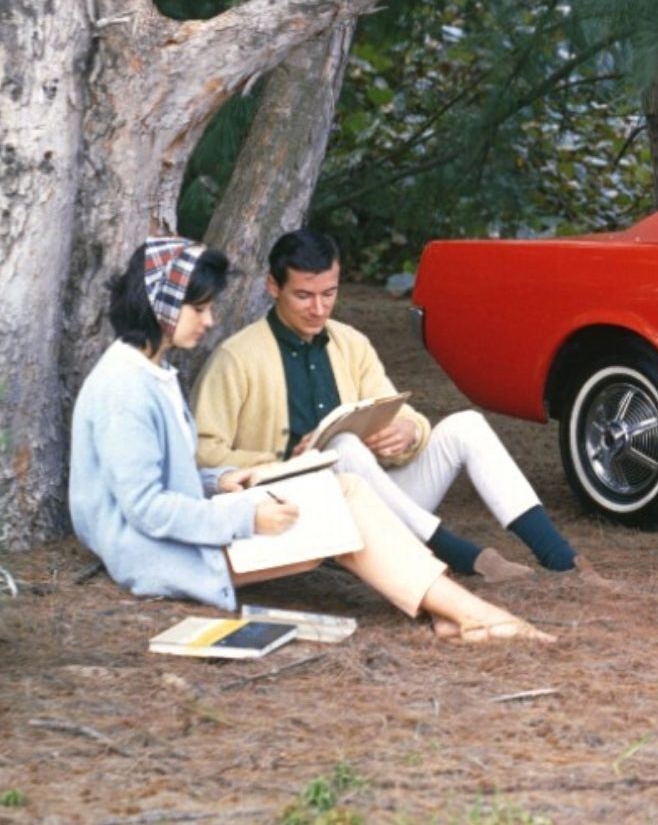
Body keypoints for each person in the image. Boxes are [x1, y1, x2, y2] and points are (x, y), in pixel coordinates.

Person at [69, 237, 551, 643]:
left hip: (201, 528)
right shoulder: (125, 387)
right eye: (199, 309)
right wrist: (247, 514)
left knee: (348, 490)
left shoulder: (152, 372)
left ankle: (453, 611)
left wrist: (225, 479)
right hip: (164, 554)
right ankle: (469, 611)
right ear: (161, 306)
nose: (210, 320)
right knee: (342, 502)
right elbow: (147, 509)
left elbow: (174, 479)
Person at [193, 228, 598, 584]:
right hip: (294, 513)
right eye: (303, 296)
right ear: (273, 286)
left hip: (377, 505)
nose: (318, 309)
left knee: (466, 426)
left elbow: (400, 413)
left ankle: (560, 558)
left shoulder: (351, 343)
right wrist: (282, 461)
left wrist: (408, 432)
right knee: (343, 448)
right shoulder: (236, 357)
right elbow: (202, 453)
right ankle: (455, 553)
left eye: (329, 294)